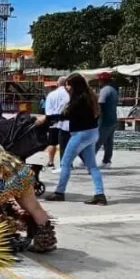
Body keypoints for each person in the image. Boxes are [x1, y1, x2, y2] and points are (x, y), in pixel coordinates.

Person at [42, 73, 106, 205]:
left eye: (68, 85)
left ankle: (59, 192)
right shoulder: (89, 96)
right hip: (92, 133)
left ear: (75, 85)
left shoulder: (78, 99)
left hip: (80, 135)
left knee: (65, 163)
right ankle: (100, 194)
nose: (67, 87)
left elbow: (66, 115)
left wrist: (46, 118)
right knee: (92, 166)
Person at [43, 77, 70, 170]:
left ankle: (51, 162)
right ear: (66, 84)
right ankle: (67, 163)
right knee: (66, 144)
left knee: (52, 143)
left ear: (57, 84)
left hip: (53, 123)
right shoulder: (69, 95)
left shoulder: (51, 95)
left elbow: (48, 111)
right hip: (66, 124)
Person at [95, 73, 119, 168]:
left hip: (104, 120)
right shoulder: (113, 90)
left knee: (97, 141)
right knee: (108, 142)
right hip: (113, 118)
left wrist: (96, 117)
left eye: (99, 80)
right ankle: (107, 161)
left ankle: (88, 160)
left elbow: (100, 104)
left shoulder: (104, 90)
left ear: (102, 81)